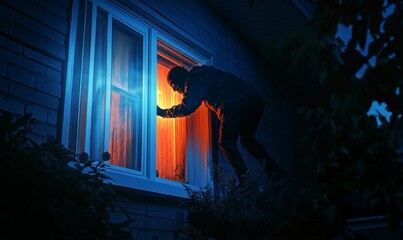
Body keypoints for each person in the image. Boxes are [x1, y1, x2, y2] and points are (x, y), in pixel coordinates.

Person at [157, 65, 286, 183]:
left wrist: (162, 112)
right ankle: (276, 172)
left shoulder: (193, 80)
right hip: (255, 99)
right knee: (248, 141)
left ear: (180, 78)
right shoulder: (206, 73)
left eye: (173, 85)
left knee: (226, 143)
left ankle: (246, 183)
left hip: (234, 103)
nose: (174, 90)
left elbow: (187, 107)